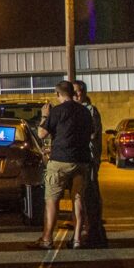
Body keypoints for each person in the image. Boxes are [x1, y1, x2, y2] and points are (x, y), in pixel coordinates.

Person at [30, 80, 94, 250]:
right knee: (78, 199)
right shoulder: (85, 111)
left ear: (58, 94)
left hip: (60, 160)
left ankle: (47, 238)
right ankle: (77, 239)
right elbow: (92, 133)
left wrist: (45, 115)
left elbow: (42, 133)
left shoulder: (57, 111)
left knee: (52, 200)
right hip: (81, 161)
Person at [73, 80, 108, 248]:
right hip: (83, 156)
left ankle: (94, 231)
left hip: (90, 157)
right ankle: (91, 229)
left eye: (79, 92)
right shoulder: (79, 110)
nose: (76, 95)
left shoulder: (90, 110)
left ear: (84, 92)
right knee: (85, 193)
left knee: (91, 192)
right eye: (74, 92)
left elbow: (92, 134)